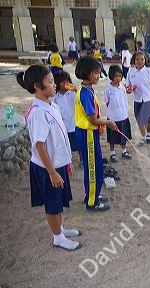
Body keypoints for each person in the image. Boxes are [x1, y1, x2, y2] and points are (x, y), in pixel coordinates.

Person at [17, 64, 81, 251]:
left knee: (59, 200)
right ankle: (58, 238)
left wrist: (65, 162)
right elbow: (39, 144)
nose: (54, 85)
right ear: (37, 86)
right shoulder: (38, 112)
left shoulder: (51, 104)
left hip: (57, 164)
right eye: (51, 82)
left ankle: (60, 229)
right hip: (47, 168)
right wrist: (52, 172)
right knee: (52, 203)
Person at [74, 56, 118, 212]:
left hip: (89, 134)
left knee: (97, 165)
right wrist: (108, 122)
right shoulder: (85, 93)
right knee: (92, 168)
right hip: (87, 134)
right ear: (86, 73)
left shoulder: (87, 89)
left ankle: (93, 195)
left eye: (99, 72)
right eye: (95, 73)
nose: (98, 76)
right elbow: (93, 120)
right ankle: (92, 202)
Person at [126, 51, 150, 145]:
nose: (140, 61)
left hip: (148, 99)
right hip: (137, 100)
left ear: (145, 60)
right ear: (134, 60)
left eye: (142, 59)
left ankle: (148, 134)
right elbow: (128, 87)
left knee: (145, 119)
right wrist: (129, 89)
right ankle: (145, 136)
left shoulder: (148, 72)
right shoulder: (130, 72)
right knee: (139, 120)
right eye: (137, 59)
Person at [53, 70, 83, 167]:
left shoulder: (73, 93)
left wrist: (75, 90)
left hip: (74, 124)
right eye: (63, 81)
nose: (66, 83)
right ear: (57, 83)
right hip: (63, 127)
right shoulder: (55, 97)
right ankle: (67, 163)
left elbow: (82, 98)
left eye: (67, 81)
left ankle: (82, 159)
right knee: (65, 145)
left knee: (79, 144)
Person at [104, 65, 133, 162]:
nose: (118, 78)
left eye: (120, 76)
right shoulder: (108, 89)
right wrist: (113, 111)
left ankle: (124, 151)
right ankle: (112, 153)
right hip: (113, 118)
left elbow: (124, 98)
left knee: (123, 135)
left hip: (123, 116)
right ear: (111, 76)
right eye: (116, 76)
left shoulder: (122, 87)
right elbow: (107, 103)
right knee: (112, 137)